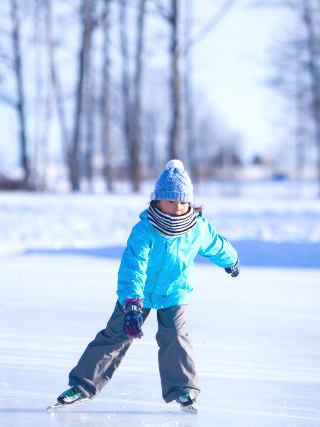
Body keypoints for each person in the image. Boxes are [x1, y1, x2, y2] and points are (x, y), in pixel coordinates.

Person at [51, 159, 240, 412]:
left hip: (175, 293)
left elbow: (217, 244)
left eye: (183, 202)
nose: (177, 208)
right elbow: (133, 267)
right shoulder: (145, 230)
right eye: (171, 201)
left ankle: (183, 389)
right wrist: (131, 304)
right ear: (157, 201)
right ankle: (83, 385)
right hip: (137, 296)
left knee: (175, 336)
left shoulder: (197, 229)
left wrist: (232, 260)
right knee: (115, 335)